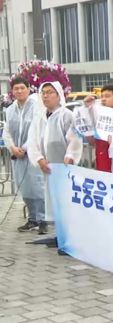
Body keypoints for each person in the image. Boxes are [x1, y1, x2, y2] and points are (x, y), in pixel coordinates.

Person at [26, 81, 82, 238]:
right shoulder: (39, 118)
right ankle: (59, 235)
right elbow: (32, 141)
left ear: (59, 95)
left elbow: (75, 139)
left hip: (64, 166)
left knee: (66, 200)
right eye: (43, 93)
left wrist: (70, 157)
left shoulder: (67, 115)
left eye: (50, 92)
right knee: (53, 201)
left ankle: (69, 236)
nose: (46, 96)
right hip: (47, 167)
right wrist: (39, 159)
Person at [3, 77, 46, 233]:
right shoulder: (10, 110)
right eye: (16, 88)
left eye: (22, 88)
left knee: (37, 187)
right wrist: (13, 148)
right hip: (17, 155)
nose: (19, 91)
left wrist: (26, 148)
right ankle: (32, 219)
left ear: (28, 89)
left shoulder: (37, 107)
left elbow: (38, 130)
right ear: (12, 91)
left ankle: (43, 219)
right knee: (25, 188)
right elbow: (6, 132)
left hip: (33, 154)